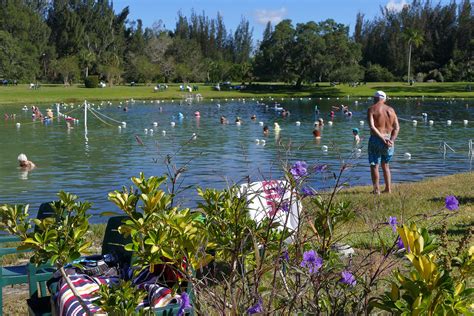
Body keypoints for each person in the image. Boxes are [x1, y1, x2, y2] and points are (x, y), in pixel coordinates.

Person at [367, 91, 399, 194]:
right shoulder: (391, 110)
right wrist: (391, 140)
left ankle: (376, 190)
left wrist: (381, 138)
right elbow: (397, 128)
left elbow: (372, 126)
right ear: (384, 99)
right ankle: (388, 189)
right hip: (389, 141)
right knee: (386, 165)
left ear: (375, 98)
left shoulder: (372, 109)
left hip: (376, 139)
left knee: (374, 164)